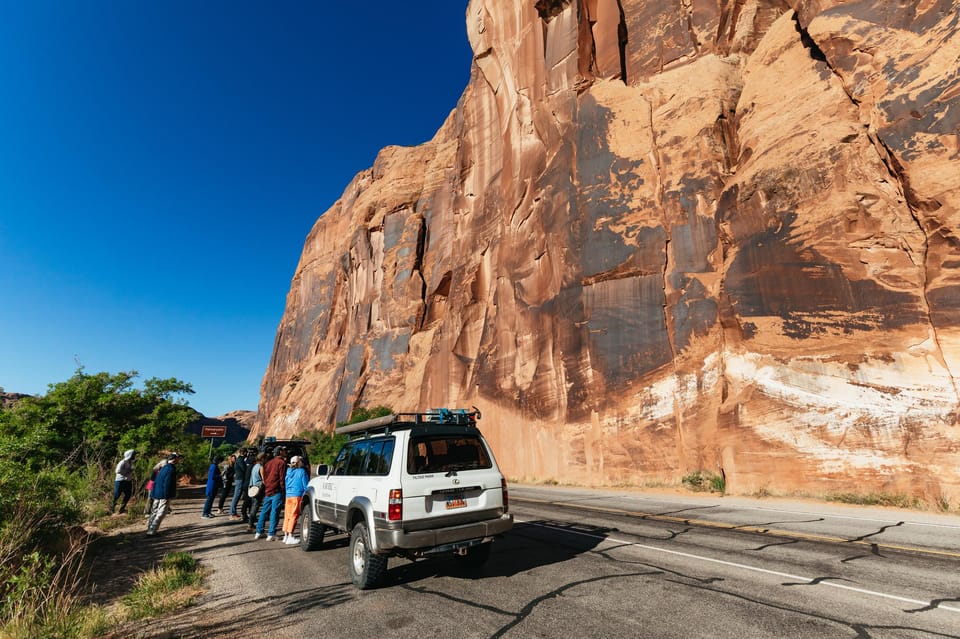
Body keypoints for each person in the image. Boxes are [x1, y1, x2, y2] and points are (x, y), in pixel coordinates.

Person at [255, 447, 286, 541]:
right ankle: (271, 534)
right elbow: (282, 478)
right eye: (284, 450)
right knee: (274, 512)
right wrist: (283, 490)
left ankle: (259, 532)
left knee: (264, 511)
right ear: (280, 452)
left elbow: (265, 478)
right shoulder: (281, 463)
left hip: (268, 490)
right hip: (277, 491)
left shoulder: (268, 463)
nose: (285, 452)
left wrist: (267, 487)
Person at [147, 452, 180, 536]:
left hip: (157, 492)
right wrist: (167, 495)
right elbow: (167, 483)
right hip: (163, 494)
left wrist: (153, 493)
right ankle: (152, 531)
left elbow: (157, 481)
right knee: (161, 512)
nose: (178, 460)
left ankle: (150, 528)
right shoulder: (171, 469)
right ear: (173, 459)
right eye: (177, 458)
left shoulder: (164, 468)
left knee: (154, 511)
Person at [282, 455, 309, 545]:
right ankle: (290, 535)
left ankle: (285, 535)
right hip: (297, 495)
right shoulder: (302, 471)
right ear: (298, 462)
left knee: (287, 515)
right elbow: (306, 485)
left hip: (288, 495)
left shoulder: (288, 471)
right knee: (294, 515)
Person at [246, 451, 266, 533]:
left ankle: (251, 524)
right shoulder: (261, 467)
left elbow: (251, 478)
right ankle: (250, 524)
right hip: (259, 489)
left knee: (253, 507)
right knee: (255, 507)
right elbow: (264, 480)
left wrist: (250, 486)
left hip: (253, 488)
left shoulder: (254, 466)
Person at [111, 449, 136, 514]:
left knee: (128, 495)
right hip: (120, 481)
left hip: (128, 481)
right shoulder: (122, 462)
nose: (134, 456)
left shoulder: (130, 462)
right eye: (133, 455)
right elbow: (117, 471)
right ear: (130, 455)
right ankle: (112, 509)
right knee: (117, 495)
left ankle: (122, 509)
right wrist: (127, 472)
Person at [229, 449, 249, 520]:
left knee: (237, 496)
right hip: (240, 480)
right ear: (244, 453)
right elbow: (244, 469)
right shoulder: (240, 460)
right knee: (236, 496)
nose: (247, 454)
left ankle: (233, 513)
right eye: (246, 452)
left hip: (239, 479)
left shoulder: (240, 459)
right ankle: (232, 514)